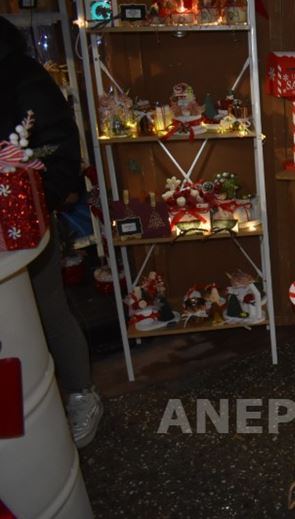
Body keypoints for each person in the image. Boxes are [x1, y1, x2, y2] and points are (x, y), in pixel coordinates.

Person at [0, 17, 102, 448]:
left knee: (48, 307)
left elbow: (59, 144)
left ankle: (81, 392)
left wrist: (47, 195)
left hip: (26, 216)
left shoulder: (22, 76)